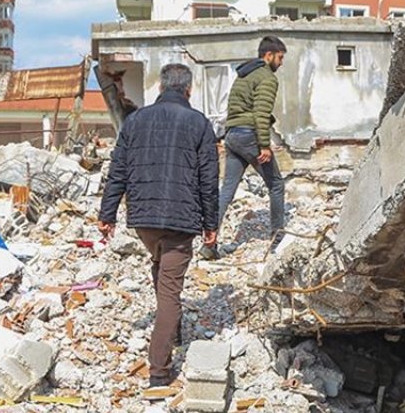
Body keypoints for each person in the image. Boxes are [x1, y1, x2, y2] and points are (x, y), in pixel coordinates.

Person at [97, 63, 218, 387]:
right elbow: (208, 179)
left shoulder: (135, 120)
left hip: (144, 221)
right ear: (188, 90)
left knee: (159, 265)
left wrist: (107, 215)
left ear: (160, 88)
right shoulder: (199, 123)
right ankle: (159, 372)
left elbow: (117, 170)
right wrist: (211, 224)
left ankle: (173, 329)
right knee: (170, 294)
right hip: (181, 222)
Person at [203, 36, 287, 258]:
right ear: (268, 56)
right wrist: (264, 145)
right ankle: (278, 241)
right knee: (277, 185)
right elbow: (260, 114)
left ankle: (208, 245)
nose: (281, 63)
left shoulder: (244, 74)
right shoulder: (267, 78)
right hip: (249, 135)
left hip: (232, 135)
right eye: (280, 57)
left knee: (227, 190)